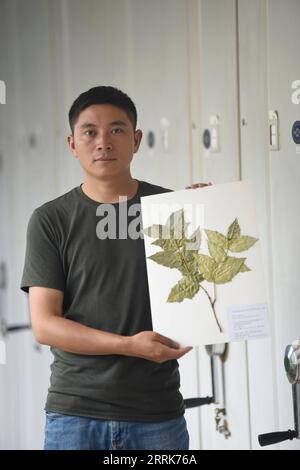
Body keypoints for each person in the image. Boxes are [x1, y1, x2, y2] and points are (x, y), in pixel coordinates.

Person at [20, 85, 209, 450]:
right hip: (75, 414)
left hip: (157, 412)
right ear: (72, 143)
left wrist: (212, 211)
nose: (103, 141)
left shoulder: (173, 210)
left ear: (136, 140)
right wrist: (129, 346)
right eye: (89, 131)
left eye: (117, 130)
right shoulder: (50, 220)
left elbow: (206, 295)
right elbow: (45, 325)